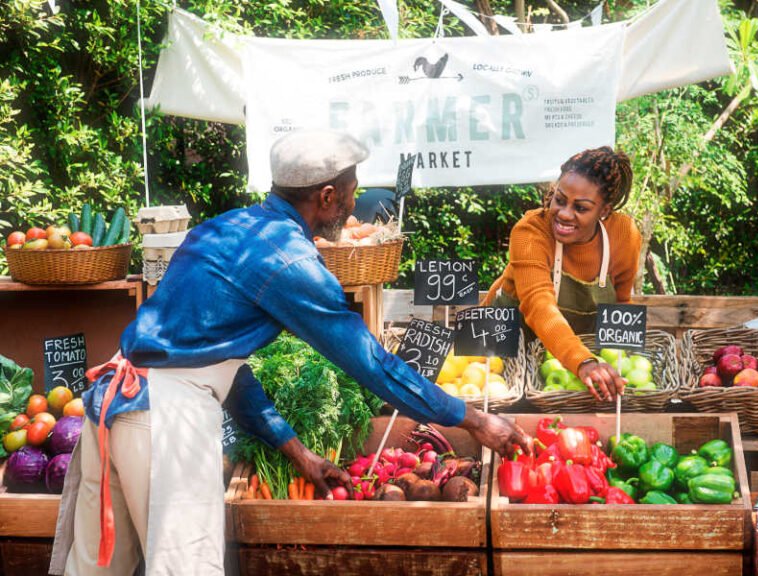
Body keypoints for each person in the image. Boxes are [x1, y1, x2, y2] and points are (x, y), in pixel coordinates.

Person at [50, 129, 533, 576]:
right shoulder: (292, 261)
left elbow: (223, 369)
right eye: (351, 190)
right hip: (164, 422)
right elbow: (372, 364)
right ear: (326, 197)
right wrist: (472, 420)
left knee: (95, 567)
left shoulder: (220, 230)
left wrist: (296, 452)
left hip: (112, 408)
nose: (354, 200)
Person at [484, 146, 642, 403]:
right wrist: (583, 362)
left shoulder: (624, 234)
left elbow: (621, 304)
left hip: (565, 359)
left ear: (604, 210)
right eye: (560, 200)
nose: (565, 214)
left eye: (581, 208)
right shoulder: (531, 231)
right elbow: (538, 304)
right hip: (501, 349)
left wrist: (626, 367)